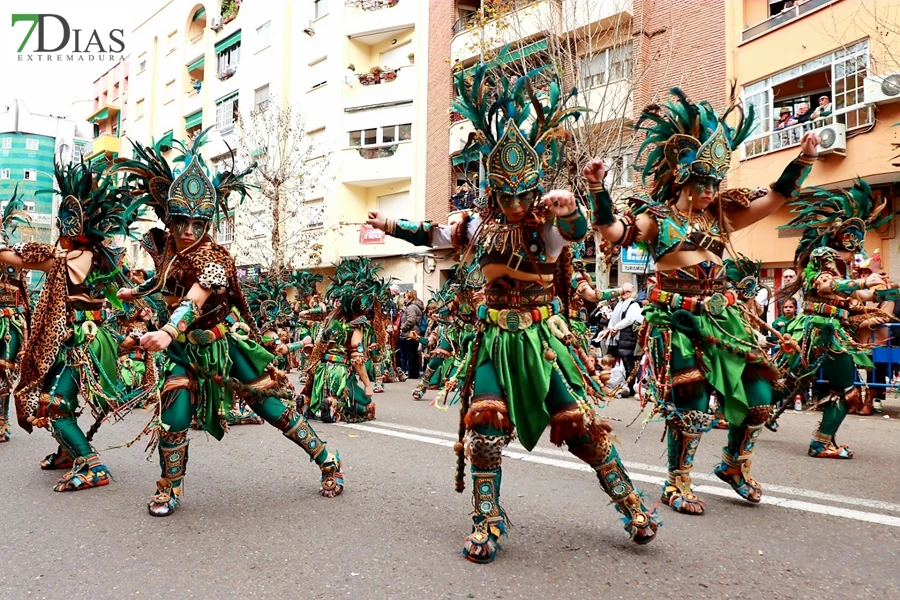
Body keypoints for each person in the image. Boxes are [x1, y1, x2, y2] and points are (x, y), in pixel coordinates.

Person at [366, 61, 659, 562]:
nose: (518, 202)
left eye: (525, 193)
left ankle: (632, 504)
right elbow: (434, 233)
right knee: (483, 430)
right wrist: (390, 222)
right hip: (494, 340)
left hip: (541, 340)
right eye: (508, 194)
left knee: (581, 429)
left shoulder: (544, 228)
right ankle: (487, 517)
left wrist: (568, 207)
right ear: (496, 191)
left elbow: (572, 233)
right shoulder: (479, 226)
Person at [586, 87, 821, 515]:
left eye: (716, 182)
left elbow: (776, 198)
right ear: (682, 179)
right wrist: (598, 188)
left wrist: (803, 158)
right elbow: (614, 232)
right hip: (677, 319)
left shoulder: (722, 217)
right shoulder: (655, 219)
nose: (711, 191)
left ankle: (734, 463)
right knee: (690, 402)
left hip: (726, 317)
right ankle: (677, 482)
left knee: (761, 393)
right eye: (703, 183)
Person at [114, 130, 343, 516]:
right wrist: (137, 296)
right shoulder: (163, 248)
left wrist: (169, 331)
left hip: (223, 340)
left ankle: (327, 460)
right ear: (170, 220)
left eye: (198, 224)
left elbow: (194, 298)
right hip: (185, 349)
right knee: (174, 411)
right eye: (182, 222)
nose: (189, 231)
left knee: (271, 408)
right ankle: (170, 487)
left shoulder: (215, 258)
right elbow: (167, 285)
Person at [0, 162, 156, 490]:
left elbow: (13, 258)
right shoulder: (106, 260)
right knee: (47, 396)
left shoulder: (67, 259)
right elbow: (133, 303)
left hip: (80, 345)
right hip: (80, 341)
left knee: (54, 406)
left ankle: (91, 465)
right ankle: (67, 451)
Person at [775, 179, 894, 456]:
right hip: (823, 332)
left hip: (829, 332)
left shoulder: (843, 269)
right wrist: (863, 284)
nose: (855, 247)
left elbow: (856, 297)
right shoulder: (823, 261)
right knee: (845, 390)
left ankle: (754, 415)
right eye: (851, 238)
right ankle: (820, 442)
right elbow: (825, 286)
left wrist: (882, 290)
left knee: (796, 381)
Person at [299, 258, 383, 423]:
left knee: (321, 393)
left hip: (321, 371)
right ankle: (333, 404)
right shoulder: (358, 326)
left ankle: (306, 401)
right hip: (340, 372)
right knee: (367, 407)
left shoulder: (331, 320)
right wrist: (367, 384)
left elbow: (313, 339)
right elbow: (357, 359)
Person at [0, 187, 30, 443]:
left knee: (3, 372)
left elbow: (18, 291)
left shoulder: (10, 260)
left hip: (7, 324)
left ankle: (1, 422)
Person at [399, 289, 424, 379]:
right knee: (412, 353)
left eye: (405, 296)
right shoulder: (414, 306)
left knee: (411, 354)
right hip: (414, 332)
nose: (404, 299)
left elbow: (411, 320)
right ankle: (414, 372)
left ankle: (412, 373)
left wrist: (402, 327)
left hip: (410, 333)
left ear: (409, 297)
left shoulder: (411, 307)